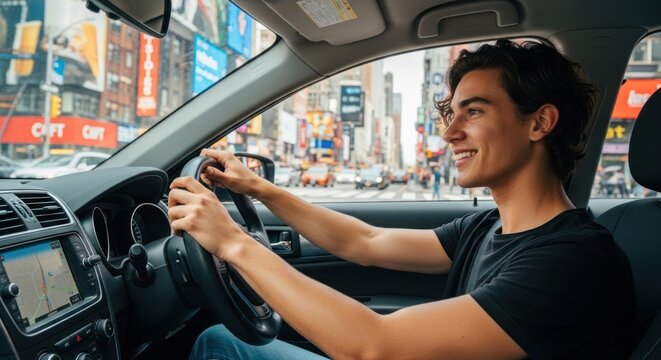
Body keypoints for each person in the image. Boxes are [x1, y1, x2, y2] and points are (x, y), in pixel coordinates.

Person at [168, 39, 635, 359]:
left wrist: (232, 243)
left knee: (219, 346)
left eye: (473, 111)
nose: (450, 133)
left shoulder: (573, 261)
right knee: (221, 341)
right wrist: (260, 188)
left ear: (539, 123)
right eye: (452, 113)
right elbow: (366, 242)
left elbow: (376, 347)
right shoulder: (489, 227)